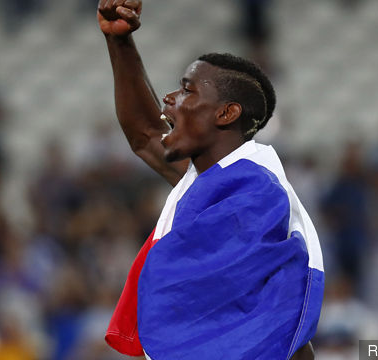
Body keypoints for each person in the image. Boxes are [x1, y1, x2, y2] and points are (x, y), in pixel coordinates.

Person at [96, 1, 324, 359]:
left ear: (226, 112)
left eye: (187, 90)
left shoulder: (257, 192)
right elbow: (144, 135)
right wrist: (119, 42)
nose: (169, 99)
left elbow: (273, 322)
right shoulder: (214, 179)